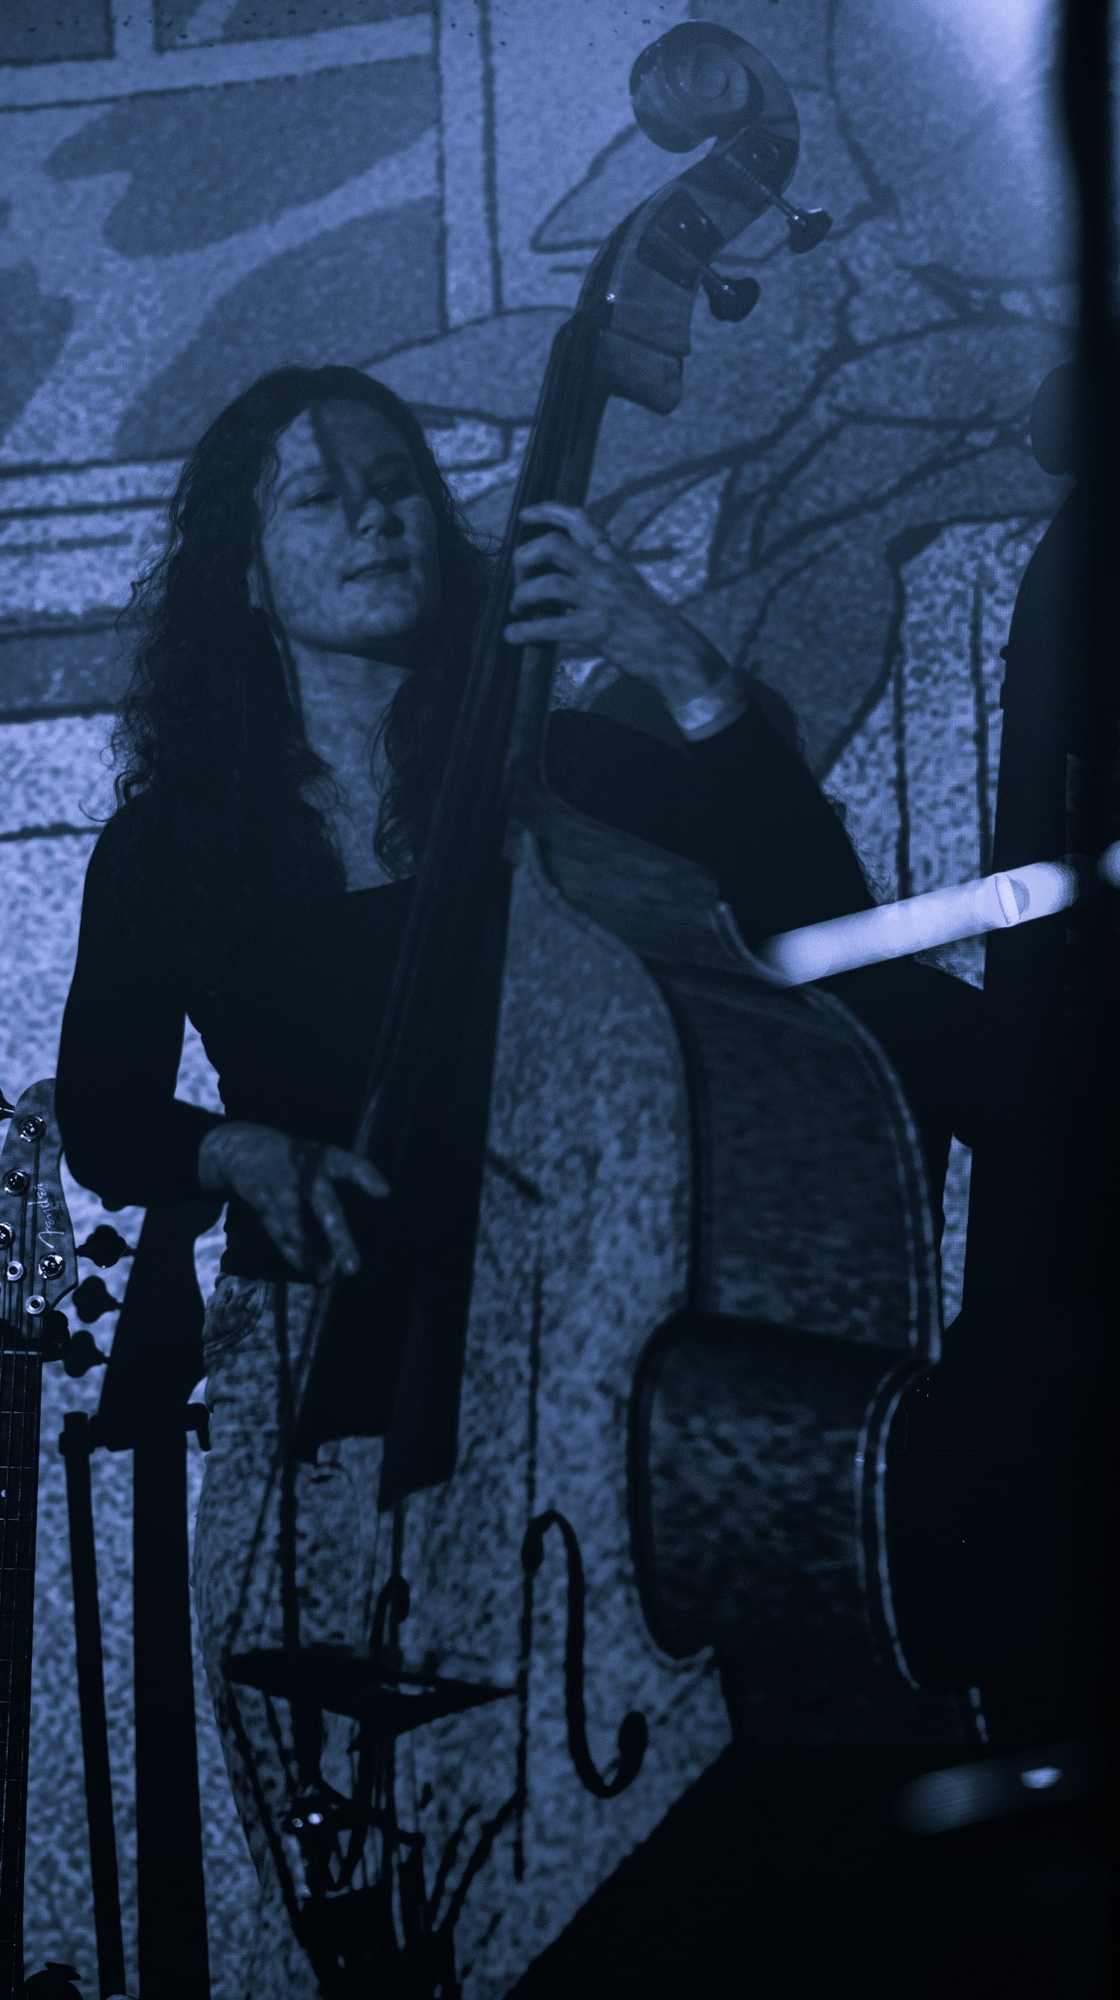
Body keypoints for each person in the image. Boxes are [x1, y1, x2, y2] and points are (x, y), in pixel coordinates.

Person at [55, 363, 983, 1996]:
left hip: (575, 1373)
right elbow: (104, 1115)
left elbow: (821, 941)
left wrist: (683, 668)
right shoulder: (167, 848)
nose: (375, 515)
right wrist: (236, 1147)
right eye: (318, 493)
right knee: (356, 1816)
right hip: (324, 1387)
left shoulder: (567, 780)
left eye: (397, 483)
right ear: (245, 574)